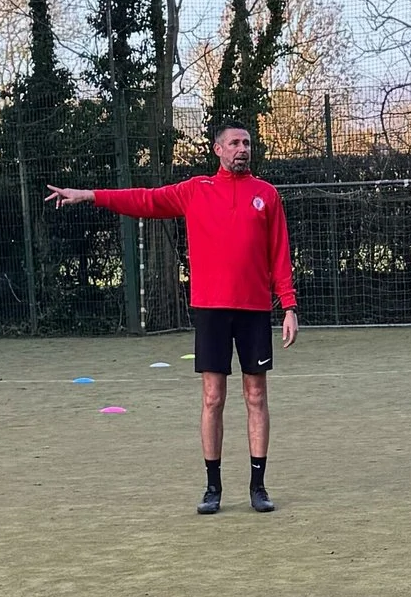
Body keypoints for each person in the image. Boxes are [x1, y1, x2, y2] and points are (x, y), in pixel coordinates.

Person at [49, 124, 298, 512]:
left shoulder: (267, 195)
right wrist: (89, 196)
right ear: (218, 149)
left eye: (247, 143)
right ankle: (212, 488)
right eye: (234, 143)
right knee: (213, 397)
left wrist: (288, 306)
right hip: (211, 309)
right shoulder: (195, 190)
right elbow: (144, 200)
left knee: (256, 395)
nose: (242, 149)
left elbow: (279, 254)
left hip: (253, 311)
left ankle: (258, 487)